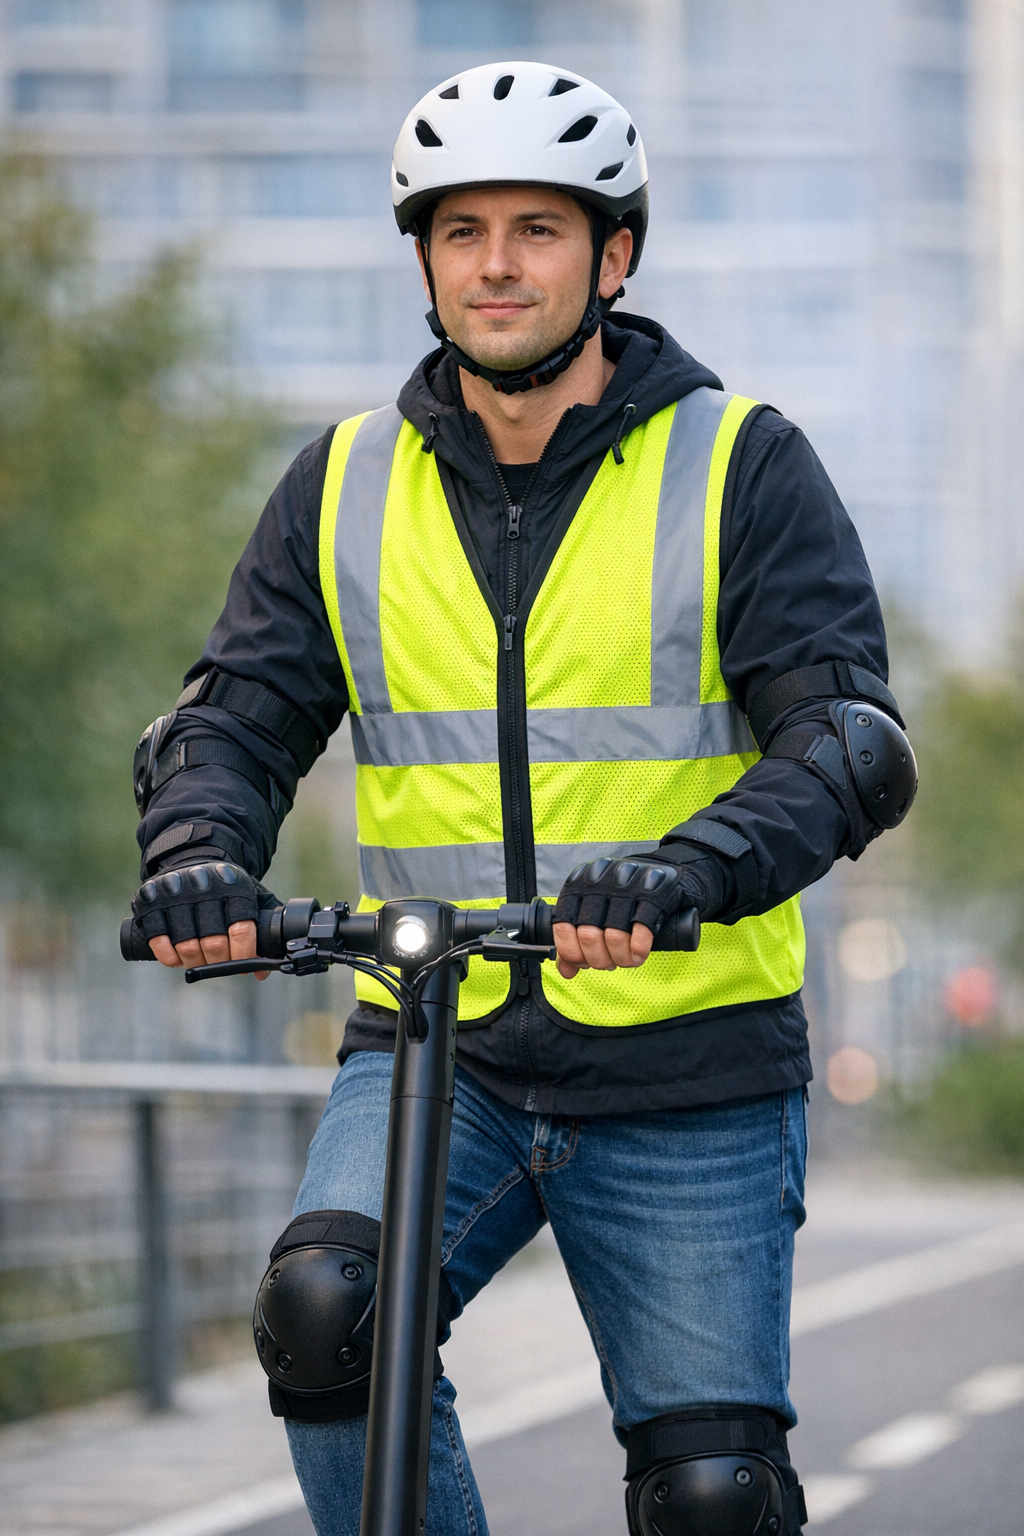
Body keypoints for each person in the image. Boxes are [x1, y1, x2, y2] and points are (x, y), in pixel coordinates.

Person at [129, 62, 916, 1536]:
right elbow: (230, 722)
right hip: (441, 1041)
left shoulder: (742, 463)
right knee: (325, 1316)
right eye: (462, 229)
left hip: (690, 1057)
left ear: (613, 257)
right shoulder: (344, 483)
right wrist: (198, 854)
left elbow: (849, 745)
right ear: (423, 260)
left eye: (539, 229)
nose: (498, 264)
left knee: (712, 1492)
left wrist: (689, 868)